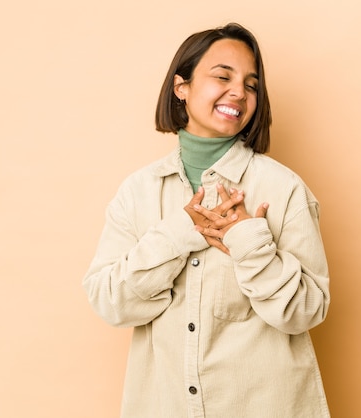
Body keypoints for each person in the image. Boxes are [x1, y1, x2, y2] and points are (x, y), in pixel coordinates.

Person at [83, 22, 331, 418]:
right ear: (181, 87)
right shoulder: (138, 191)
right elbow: (110, 302)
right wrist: (179, 235)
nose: (239, 92)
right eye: (222, 76)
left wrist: (250, 241)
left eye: (251, 84)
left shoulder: (283, 189)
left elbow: (307, 311)